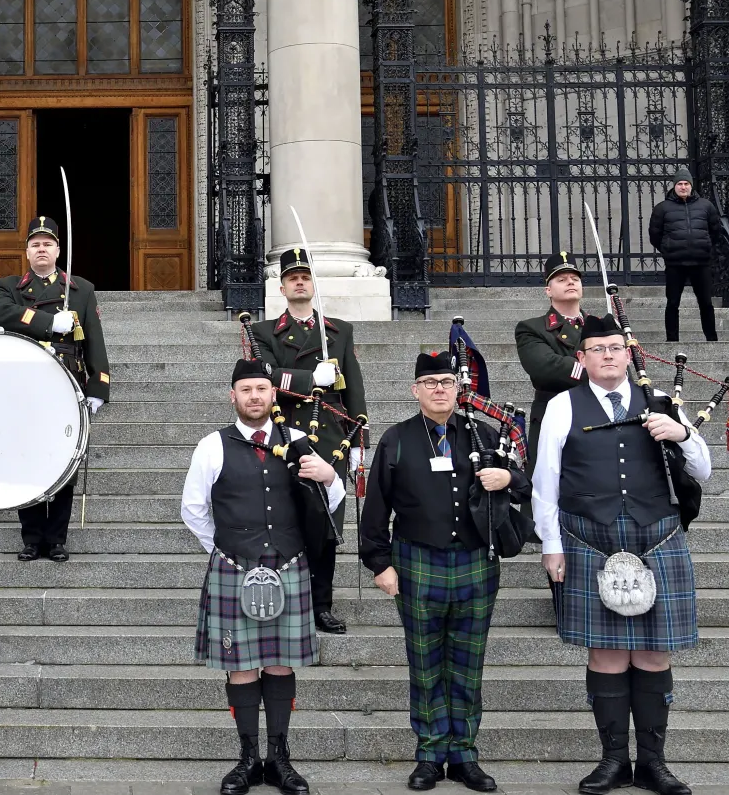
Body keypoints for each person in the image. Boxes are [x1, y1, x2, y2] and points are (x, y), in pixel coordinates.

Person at [532, 315, 712, 795]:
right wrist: (550, 544)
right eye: (598, 348)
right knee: (606, 652)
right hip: (588, 535)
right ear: (582, 358)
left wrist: (681, 433)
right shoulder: (562, 406)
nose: (608, 355)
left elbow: (704, 468)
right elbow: (545, 479)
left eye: (616, 347)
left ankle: (654, 763)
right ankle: (613, 761)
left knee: (653, 655)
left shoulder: (660, 402)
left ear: (628, 354)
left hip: (656, 534)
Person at [359, 351, 528, 792]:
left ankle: (465, 755)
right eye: (430, 382)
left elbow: (525, 485)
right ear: (415, 390)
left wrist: (507, 480)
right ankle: (431, 754)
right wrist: (379, 563)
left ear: (458, 389)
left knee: (468, 665)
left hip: (475, 562)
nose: (439, 389)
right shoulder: (396, 439)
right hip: (416, 562)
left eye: (446, 382)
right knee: (426, 664)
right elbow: (375, 506)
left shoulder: (484, 433)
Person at [180, 357, 343, 795]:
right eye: (246, 389)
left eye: (262, 389)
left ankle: (280, 758)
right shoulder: (212, 445)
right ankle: (248, 758)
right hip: (235, 566)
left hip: (288, 565)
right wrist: (226, 549)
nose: (254, 396)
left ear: (274, 396)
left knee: (279, 663)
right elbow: (193, 508)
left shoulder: (298, 440)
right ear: (233, 396)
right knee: (240, 668)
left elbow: (333, 495)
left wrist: (330, 476)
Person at [249, 246, 367, 634]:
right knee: (279, 519)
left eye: (305, 276)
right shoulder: (265, 331)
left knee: (325, 523)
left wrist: (358, 439)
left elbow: (356, 389)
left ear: (314, 285)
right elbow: (264, 375)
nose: (299, 282)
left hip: (330, 432)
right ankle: (281, 601)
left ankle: (321, 604)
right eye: (292, 278)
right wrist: (306, 380)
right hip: (284, 430)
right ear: (281, 287)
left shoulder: (339, 331)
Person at [0, 216, 110, 562]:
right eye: (35, 244)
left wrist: (98, 387)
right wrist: (47, 322)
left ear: (58, 250)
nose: (41, 249)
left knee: (64, 460)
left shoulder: (81, 290)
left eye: (48, 244)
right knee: (25, 458)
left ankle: (57, 538)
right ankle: (31, 538)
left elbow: (95, 341)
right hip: (25, 384)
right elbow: (1, 315)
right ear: (26, 251)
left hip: (67, 381)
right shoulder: (10, 286)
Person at [515, 253, 589, 475]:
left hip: (597, 413)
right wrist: (600, 370)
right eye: (561, 279)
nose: (570, 282)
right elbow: (546, 368)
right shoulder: (531, 328)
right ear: (548, 290)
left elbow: (622, 371)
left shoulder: (601, 326)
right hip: (553, 418)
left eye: (575, 278)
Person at [649, 167, 728, 343]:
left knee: (706, 303)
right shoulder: (662, 208)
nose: (683, 187)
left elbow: (716, 231)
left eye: (686, 184)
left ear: (691, 186)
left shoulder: (706, 206)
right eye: (679, 184)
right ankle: (672, 340)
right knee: (672, 303)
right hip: (675, 263)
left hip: (701, 262)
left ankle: (711, 338)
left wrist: (706, 247)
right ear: (674, 186)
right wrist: (667, 248)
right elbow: (655, 235)